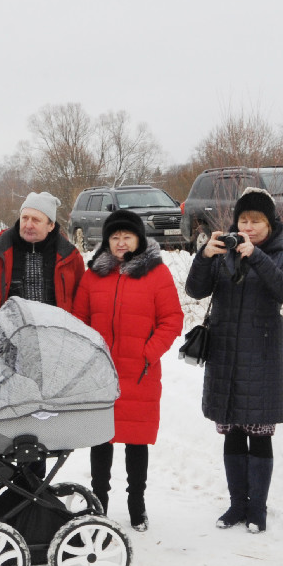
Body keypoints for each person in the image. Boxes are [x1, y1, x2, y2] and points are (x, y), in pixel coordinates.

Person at [184, 188, 283, 534]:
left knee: (260, 434)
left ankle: (258, 509)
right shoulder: (223, 254)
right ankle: (237, 504)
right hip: (224, 355)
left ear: (270, 224)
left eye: (256, 221)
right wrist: (204, 256)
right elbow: (195, 290)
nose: (248, 227)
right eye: (243, 220)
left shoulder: (281, 256)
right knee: (232, 431)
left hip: (261, 357)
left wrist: (258, 257)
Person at [74, 209, 183, 531]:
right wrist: (89, 354)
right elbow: (79, 318)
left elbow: (172, 320)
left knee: (136, 442)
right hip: (101, 374)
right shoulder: (93, 274)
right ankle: (99, 504)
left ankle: (137, 505)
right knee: (101, 440)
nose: (121, 243)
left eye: (127, 237)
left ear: (139, 239)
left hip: (139, 372)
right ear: (107, 241)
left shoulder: (157, 274)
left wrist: (147, 353)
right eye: (115, 237)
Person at [0, 191, 84, 312]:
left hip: (54, 329)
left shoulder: (70, 258)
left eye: (36, 220)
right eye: (25, 218)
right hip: (5, 329)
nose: (28, 225)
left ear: (51, 225)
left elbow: (80, 309)